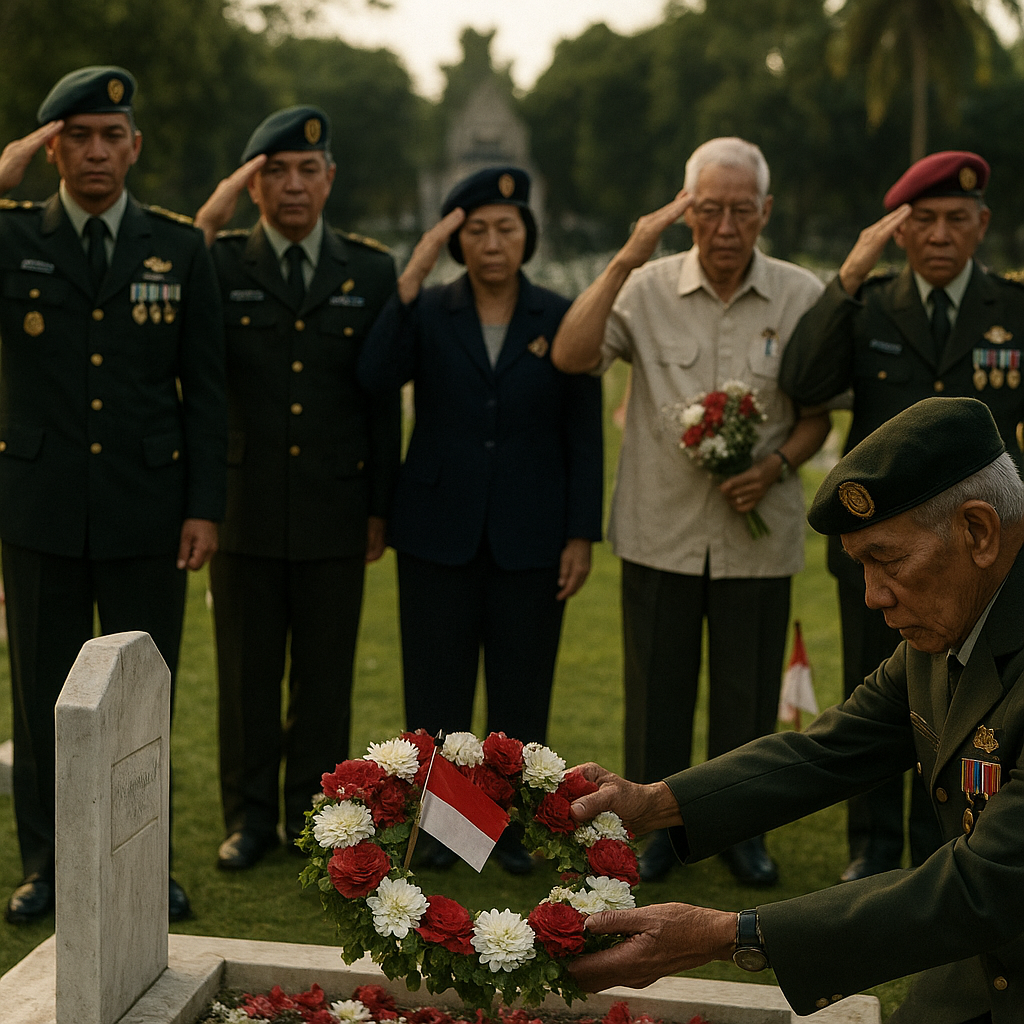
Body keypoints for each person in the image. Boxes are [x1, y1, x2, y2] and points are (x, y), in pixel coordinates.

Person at [567, 397, 1024, 1024]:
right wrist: (655, 802)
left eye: (887, 562)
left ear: (978, 530)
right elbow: (833, 748)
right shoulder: (956, 611)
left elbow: (987, 886)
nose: (872, 596)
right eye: (860, 566)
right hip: (982, 968)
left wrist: (730, 934)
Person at [550, 137, 830, 886]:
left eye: (743, 210)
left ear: (766, 211)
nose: (728, 226)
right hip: (659, 531)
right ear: (686, 210)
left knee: (745, 702)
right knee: (656, 700)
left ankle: (740, 832)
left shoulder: (801, 294)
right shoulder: (643, 287)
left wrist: (775, 465)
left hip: (755, 541)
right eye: (710, 210)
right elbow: (572, 357)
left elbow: (817, 417)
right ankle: (650, 832)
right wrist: (626, 254)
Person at [0, 67, 226, 923]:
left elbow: (204, 392)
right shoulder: (13, 236)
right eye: (78, 135)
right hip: (39, 508)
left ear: (135, 146)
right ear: (52, 145)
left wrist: (205, 505)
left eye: (112, 136)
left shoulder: (179, 247)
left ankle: (142, 858)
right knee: (41, 696)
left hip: (148, 510)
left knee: (138, 694)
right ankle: (49, 867)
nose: (97, 152)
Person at [780, 151, 1024, 883]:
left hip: (979, 554)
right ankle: (874, 847)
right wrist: (850, 274)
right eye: (923, 221)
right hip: (882, 554)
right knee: (878, 699)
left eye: (957, 219)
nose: (941, 234)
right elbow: (803, 382)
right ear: (898, 231)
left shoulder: (1013, 310)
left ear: (982, 227)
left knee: (970, 702)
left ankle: (949, 844)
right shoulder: (872, 303)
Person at [358, 166, 603, 873]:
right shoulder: (430, 309)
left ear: (528, 236)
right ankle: (441, 833)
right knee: (437, 689)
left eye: (507, 227)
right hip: (438, 527)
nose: (493, 241)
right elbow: (374, 376)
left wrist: (580, 532)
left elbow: (583, 434)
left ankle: (507, 832)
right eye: (476, 230)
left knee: (521, 687)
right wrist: (413, 276)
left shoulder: (559, 314)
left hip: (533, 529)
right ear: (454, 239)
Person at [193, 107, 399, 870]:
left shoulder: (369, 269)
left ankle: (319, 815)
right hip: (243, 508)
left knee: (324, 676)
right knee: (245, 674)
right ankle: (249, 821)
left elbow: (380, 405)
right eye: (273, 171)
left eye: (307, 170)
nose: (292, 185)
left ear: (330, 178)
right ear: (252, 186)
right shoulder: (215, 263)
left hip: (335, 506)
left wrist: (380, 504)